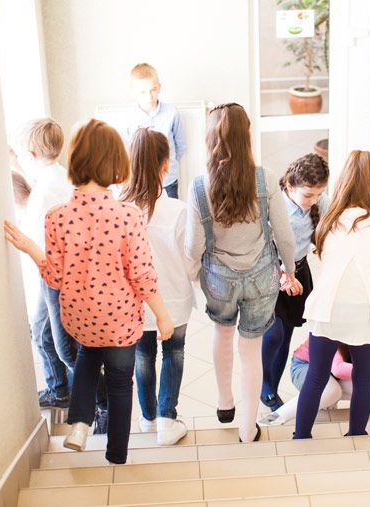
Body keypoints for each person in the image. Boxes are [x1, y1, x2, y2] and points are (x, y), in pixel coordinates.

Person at [4, 119, 174, 464]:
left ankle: (80, 423)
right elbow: (141, 274)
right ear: (116, 167)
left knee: (85, 360)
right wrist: (163, 313)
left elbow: (53, 276)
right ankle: (116, 452)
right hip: (121, 320)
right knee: (120, 382)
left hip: (81, 318)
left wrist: (30, 248)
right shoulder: (128, 216)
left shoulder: (57, 216)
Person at [185, 103, 299, 443]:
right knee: (250, 350)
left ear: (210, 139)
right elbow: (285, 235)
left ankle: (224, 403)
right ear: (246, 136)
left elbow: (193, 246)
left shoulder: (198, 187)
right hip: (262, 276)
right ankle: (248, 430)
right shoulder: (263, 179)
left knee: (222, 334)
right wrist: (289, 270)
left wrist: (195, 275)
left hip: (220, 277)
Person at [294, 150, 370, 439]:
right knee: (363, 378)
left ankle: (301, 436)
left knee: (316, 375)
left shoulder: (327, 223)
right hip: (364, 312)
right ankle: (356, 434)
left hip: (326, 307)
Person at [121, 128, 195, 445]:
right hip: (174, 300)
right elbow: (190, 261)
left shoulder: (119, 209)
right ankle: (167, 419)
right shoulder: (178, 210)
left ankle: (148, 418)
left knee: (142, 357)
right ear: (166, 165)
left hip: (135, 303)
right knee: (174, 353)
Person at [14, 118, 78, 409]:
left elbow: (36, 240)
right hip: (68, 271)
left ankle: (73, 391)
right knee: (43, 330)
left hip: (54, 275)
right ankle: (61, 389)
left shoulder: (43, 192)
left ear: (33, 154)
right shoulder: (65, 177)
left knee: (55, 339)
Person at [260, 153, 329, 411]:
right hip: (271, 273)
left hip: (299, 272)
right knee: (274, 333)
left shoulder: (318, 203)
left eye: (319, 194)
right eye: (308, 195)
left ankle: (271, 388)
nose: (314, 201)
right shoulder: (274, 206)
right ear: (290, 186)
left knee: (286, 333)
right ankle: (264, 384)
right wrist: (282, 277)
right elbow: (263, 249)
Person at [259, 340, 370, 426]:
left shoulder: (362, 331)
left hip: (329, 370)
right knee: (331, 391)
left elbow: (357, 366)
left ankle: (325, 401)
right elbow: (338, 369)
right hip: (305, 365)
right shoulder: (337, 327)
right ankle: (275, 418)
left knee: (365, 386)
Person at [124, 63, 187, 199]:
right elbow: (127, 150)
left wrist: (169, 165)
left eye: (153, 90)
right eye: (143, 92)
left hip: (168, 181)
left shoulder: (172, 113)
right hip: (141, 182)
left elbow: (181, 146)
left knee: (171, 215)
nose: (149, 96)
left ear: (159, 87)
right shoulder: (129, 118)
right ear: (134, 92)